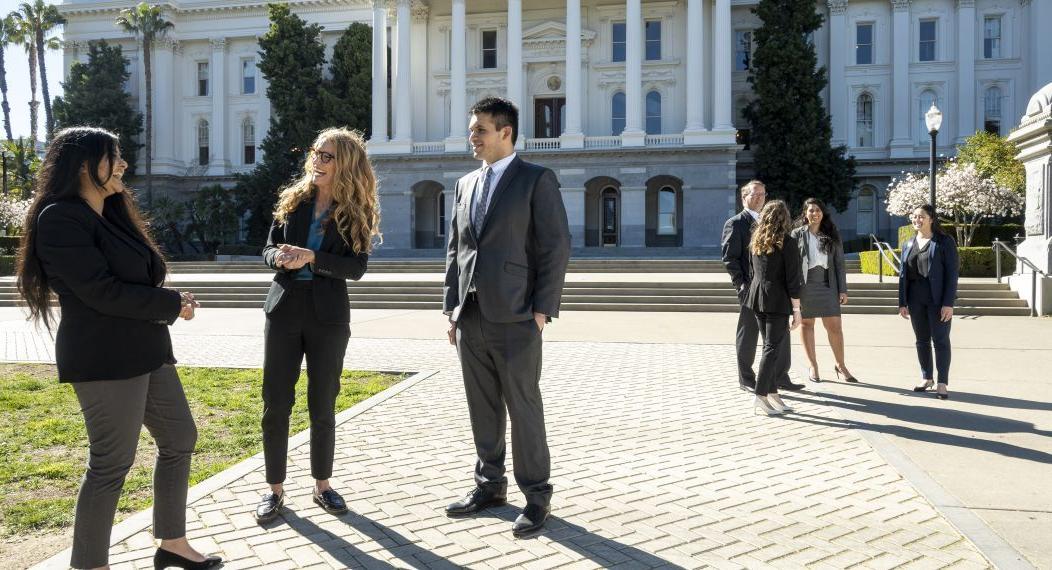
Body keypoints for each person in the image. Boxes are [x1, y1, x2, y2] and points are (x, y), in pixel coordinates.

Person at [15, 127, 219, 570]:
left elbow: (137, 277)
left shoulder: (110, 212)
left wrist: (169, 299)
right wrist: (168, 304)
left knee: (180, 437)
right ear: (86, 165)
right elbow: (100, 291)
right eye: (114, 156)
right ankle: (90, 564)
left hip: (146, 348)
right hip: (104, 357)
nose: (123, 163)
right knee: (111, 463)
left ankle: (171, 540)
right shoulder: (59, 217)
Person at [442, 97, 571, 537]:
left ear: (505, 133)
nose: (472, 137)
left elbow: (555, 246)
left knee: (523, 406)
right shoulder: (464, 184)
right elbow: (455, 251)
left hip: (517, 316)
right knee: (482, 406)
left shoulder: (536, 180)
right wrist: (451, 309)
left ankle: (537, 497)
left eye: (480, 129)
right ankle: (489, 486)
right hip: (472, 314)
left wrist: (541, 310)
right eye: (471, 129)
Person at [254, 127, 382, 523]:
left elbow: (357, 268)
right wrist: (279, 258)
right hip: (284, 310)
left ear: (345, 164)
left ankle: (322, 485)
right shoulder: (294, 202)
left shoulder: (355, 210)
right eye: (315, 154)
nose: (317, 161)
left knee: (322, 404)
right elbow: (268, 248)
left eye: (326, 156)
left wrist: (312, 257)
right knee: (276, 403)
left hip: (328, 316)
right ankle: (274, 489)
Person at [721, 180, 804, 393]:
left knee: (779, 335)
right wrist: (741, 286)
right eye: (755, 194)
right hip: (751, 291)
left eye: (763, 194)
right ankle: (747, 379)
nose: (760, 198)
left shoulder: (769, 224)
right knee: (748, 334)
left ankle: (780, 377)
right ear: (744, 198)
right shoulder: (736, 223)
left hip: (776, 291)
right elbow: (730, 259)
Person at [745, 200, 804, 416]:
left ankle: (773, 394)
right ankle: (760, 395)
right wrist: (797, 310)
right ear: (784, 218)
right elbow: (793, 279)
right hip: (777, 300)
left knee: (768, 348)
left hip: (758, 297)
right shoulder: (786, 243)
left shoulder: (756, 241)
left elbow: (753, 272)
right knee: (772, 348)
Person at [791, 198, 858, 383]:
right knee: (807, 324)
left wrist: (842, 289)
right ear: (805, 213)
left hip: (828, 285)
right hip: (805, 285)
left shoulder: (831, 233)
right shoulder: (797, 234)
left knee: (835, 327)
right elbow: (791, 263)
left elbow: (839, 264)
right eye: (811, 210)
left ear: (823, 213)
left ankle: (840, 365)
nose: (815, 213)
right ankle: (813, 366)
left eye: (818, 210)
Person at [898, 204, 959, 400]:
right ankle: (927, 377)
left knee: (940, 340)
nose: (917, 220)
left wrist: (948, 303)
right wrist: (902, 302)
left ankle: (942, 382)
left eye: (921, 216)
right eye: (914, 216)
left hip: (938, 300)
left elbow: (952, 275)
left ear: (931, 218)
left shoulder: (944, 241)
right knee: (921, 341)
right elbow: (903, 276)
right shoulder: (908, 244)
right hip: (915, 300)